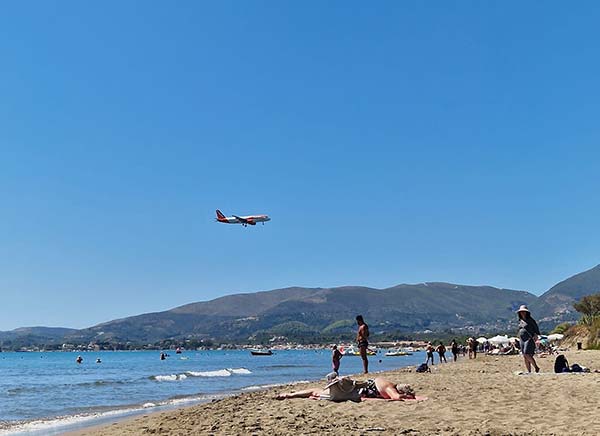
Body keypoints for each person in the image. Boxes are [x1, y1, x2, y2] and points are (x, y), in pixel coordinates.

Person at [275, 376, 416, 401]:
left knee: (316, 391)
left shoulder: (384, 383)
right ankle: (289, 395)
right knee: (317, 392)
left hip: (351, 389)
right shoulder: (388, 386)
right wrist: (411, 398)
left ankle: (289, 394)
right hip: (351, 392)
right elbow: (396, 397)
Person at [517, 305, 540, 373]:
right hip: (522, 339)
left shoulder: (530, 320)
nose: (522, 313)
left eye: (524, 312)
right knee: (524, 355)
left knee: (527, 353)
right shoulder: (520, 320)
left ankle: (536, 367)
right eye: (521, 312)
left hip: (529, 338)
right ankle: (529, 371)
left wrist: (535, 336)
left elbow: (536, 328)